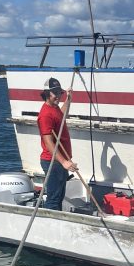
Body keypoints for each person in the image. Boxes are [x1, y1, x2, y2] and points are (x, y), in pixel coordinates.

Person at [37, 77, 78, 211]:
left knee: (59, 196)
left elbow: (62, 114)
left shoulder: (54, 109)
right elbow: (48, 142)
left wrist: (69, 99)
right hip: (53, 162)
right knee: (54, 199)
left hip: (59, 162)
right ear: (47, 94)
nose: (58, 96)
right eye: (55, 93)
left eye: (60, 93)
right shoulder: (45, 115)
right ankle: (50, 225)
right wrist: (64, 162)